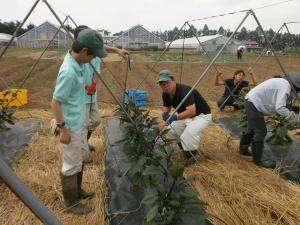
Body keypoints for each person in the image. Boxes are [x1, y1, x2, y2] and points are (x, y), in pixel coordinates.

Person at [51, 29, 106, 214]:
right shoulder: (68, 72)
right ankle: (71, 204)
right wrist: (63, 129)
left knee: (79, 160)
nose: (93, 59)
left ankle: (78, 190)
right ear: (83, 51)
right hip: (70, 126)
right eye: (92, 55)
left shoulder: (78, 63)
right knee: (70, 165)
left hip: (78, 121)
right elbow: (55, 102)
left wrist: (88, 88)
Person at [73, 25, 129, 164]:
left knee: (96, 120)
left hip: (92, 94)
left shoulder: (94, 52)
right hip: (81, 97)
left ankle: (84, 143)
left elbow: (97, 69)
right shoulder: (78, 57)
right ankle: (81, 153)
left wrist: (116, 50)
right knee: (82, 125)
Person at [239, 72, 300, 168]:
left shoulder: (282, 82)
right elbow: (279, 107)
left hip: (251, 101)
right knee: (261, 131)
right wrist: (292, 117)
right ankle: (257, 160)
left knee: (252, 129)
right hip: (254, 104)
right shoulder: (285, 86)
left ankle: (243, 149)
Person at [157, 69, 212, 163]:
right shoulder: (165, 94)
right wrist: (165, 113)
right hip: (185, 117)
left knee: (188, 133)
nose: (165, 85)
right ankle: (184, 150)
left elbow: (191, 111)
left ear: (173, 80)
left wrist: (174, 117)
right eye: (162, 84)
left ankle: (192, 157)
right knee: (171, 131)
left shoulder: (184, 91)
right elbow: (167, 106)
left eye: (167, 82)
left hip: (201, 116)